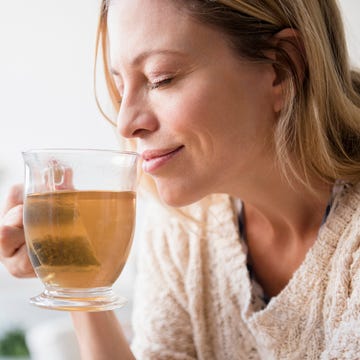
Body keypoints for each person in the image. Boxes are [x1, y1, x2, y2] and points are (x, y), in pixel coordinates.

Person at [1, 0, 360, 358]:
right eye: (120, 85)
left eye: (161, 78)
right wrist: (77, 279)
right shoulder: (185, 226)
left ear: (282, 68)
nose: (126, 123)